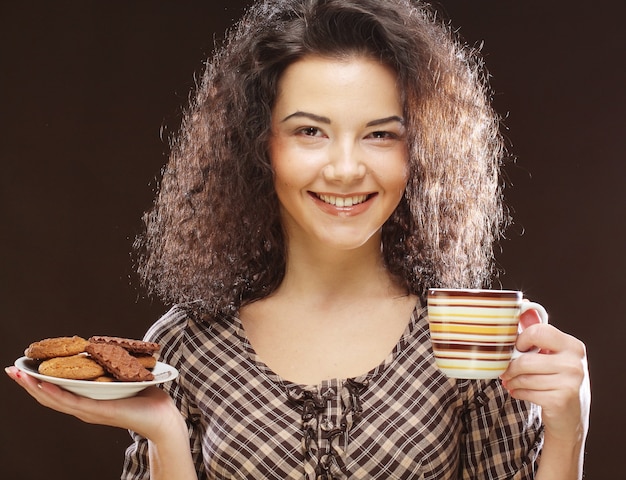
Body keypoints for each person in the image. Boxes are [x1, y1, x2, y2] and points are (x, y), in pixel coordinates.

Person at [6, 0, 590, 479]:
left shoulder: (466, 340)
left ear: (420, 153)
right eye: (310, 131)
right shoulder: (186, 346)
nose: (344, 169)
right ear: (259, 147)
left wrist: (569, 432)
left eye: (380, 135)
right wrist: (163, 431)